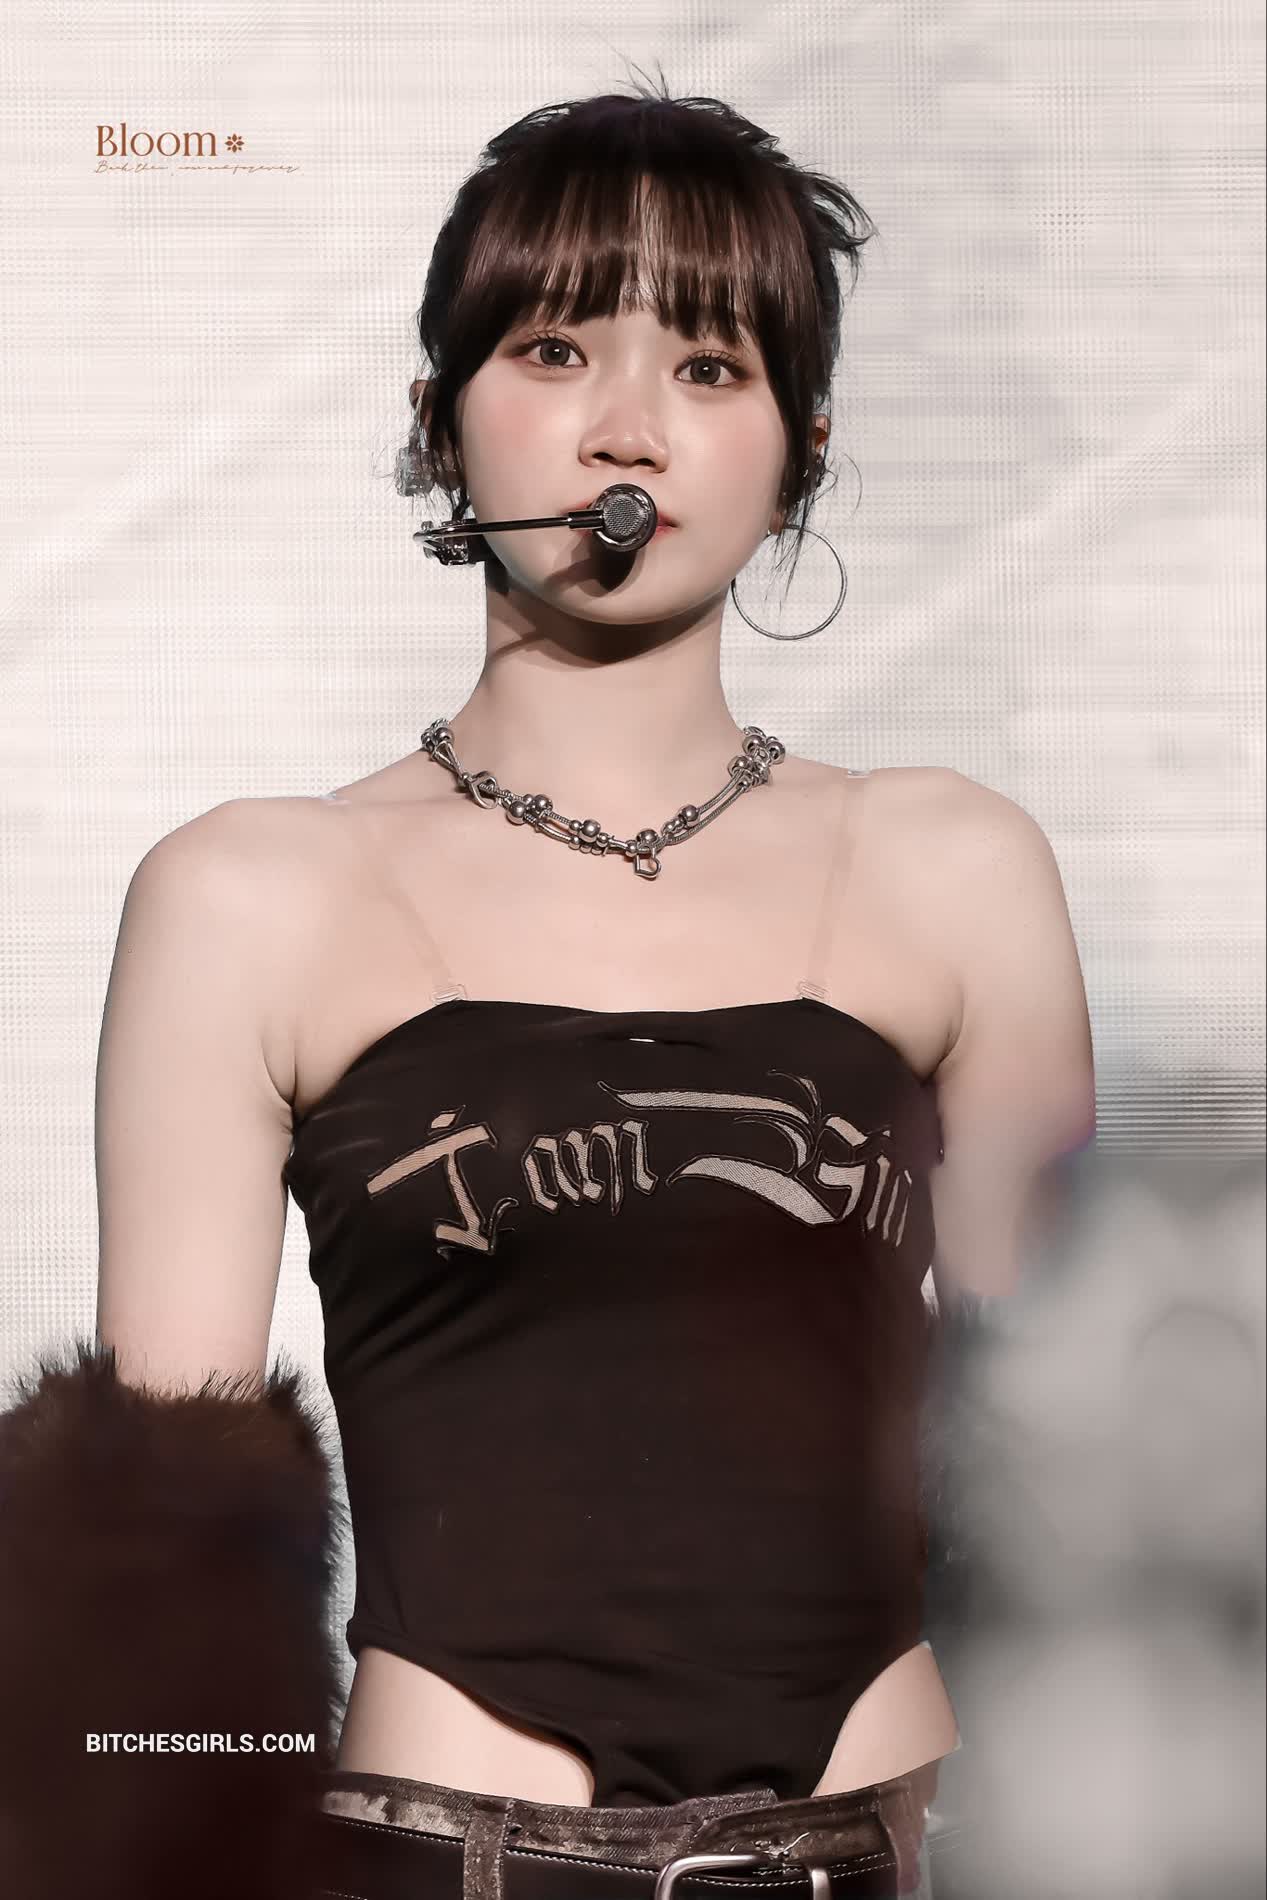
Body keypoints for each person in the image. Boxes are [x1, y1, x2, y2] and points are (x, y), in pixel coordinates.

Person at [2, 76, 1096, 1900]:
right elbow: (167, 1583)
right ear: (439, 422)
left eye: (711, 367)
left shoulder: (955, 871)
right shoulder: (251, 896)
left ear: (802, 446)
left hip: (878, 1854)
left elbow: (1087, 1496)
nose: (628, 429)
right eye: (555, 349)